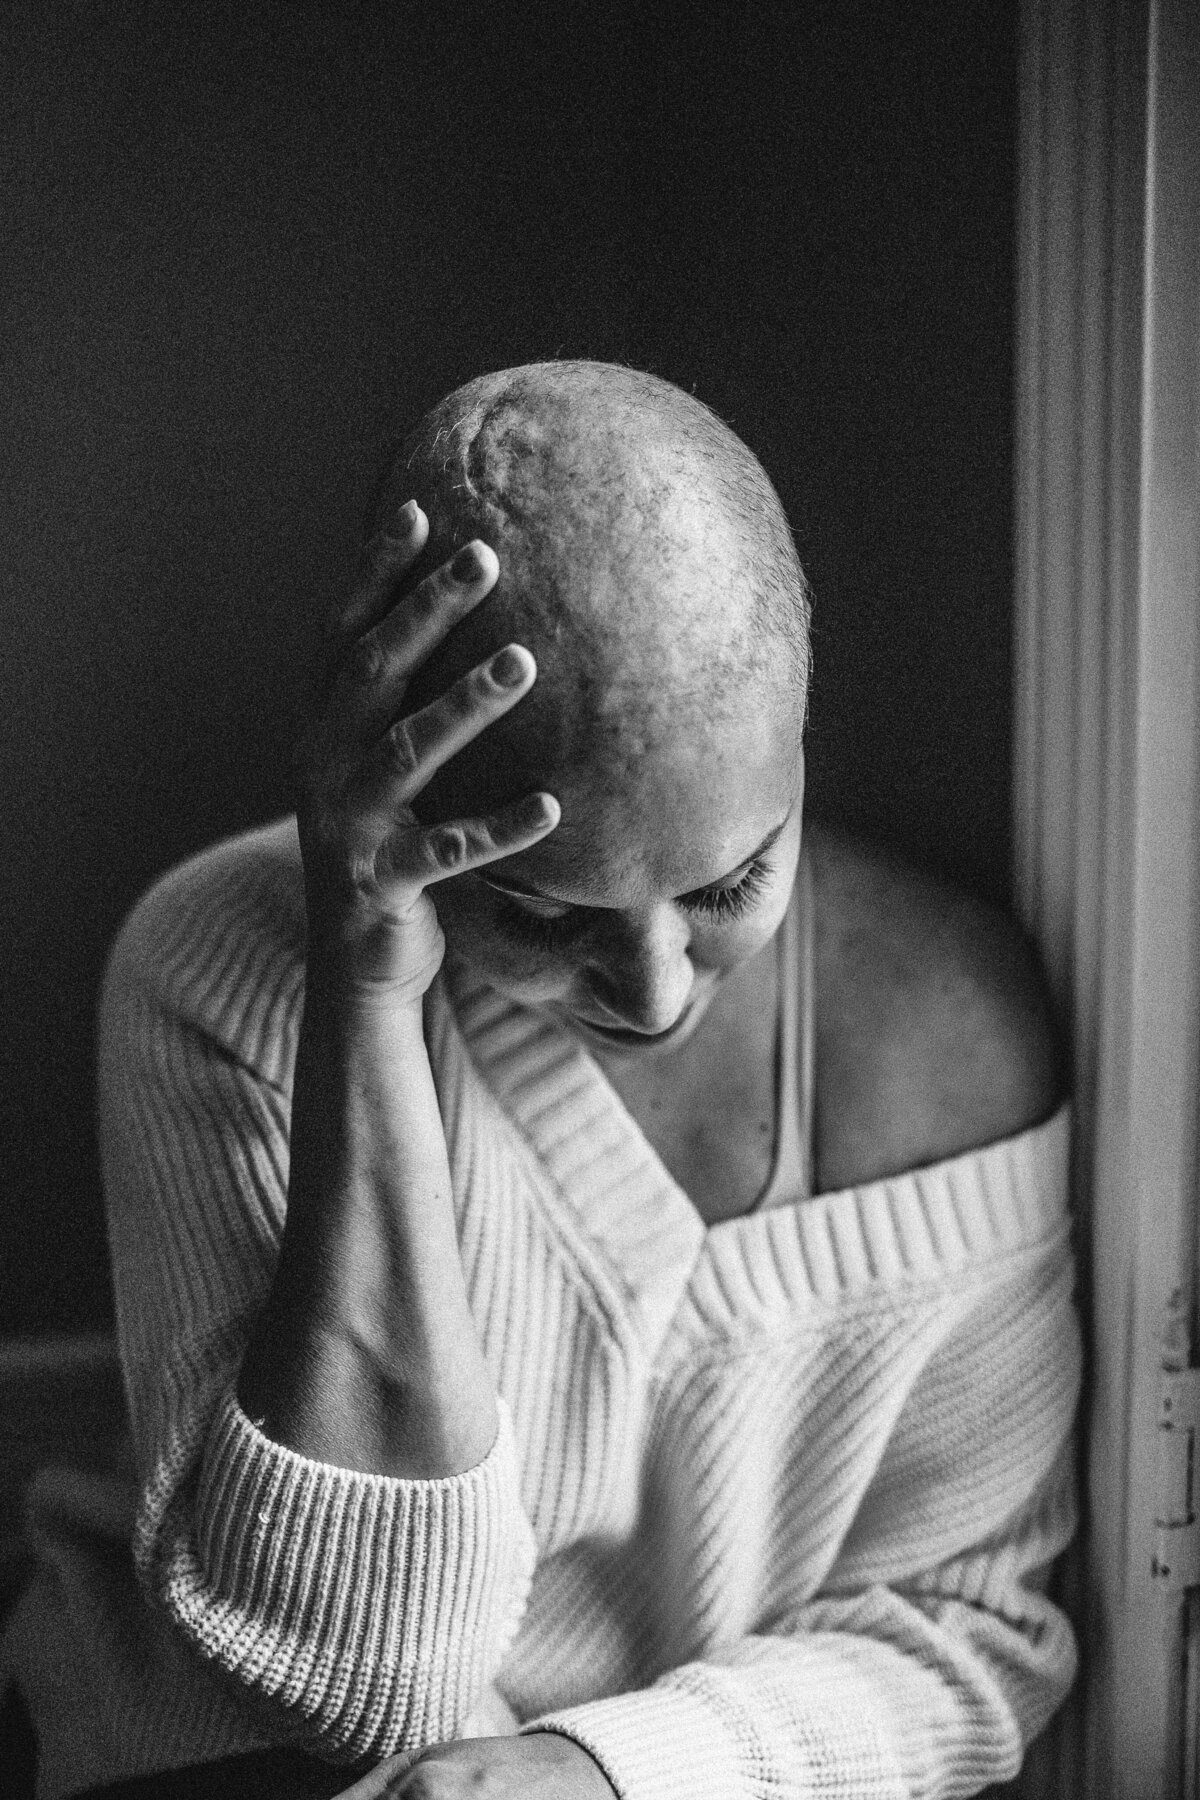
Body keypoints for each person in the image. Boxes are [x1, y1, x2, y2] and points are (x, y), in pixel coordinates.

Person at [5, 361, 1080, 1799]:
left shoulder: (957, 1035)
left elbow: (968, 1628)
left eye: (731, 878)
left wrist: (606, 1769)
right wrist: (367, 993)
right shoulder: (216, 969)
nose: (653, 990)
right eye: (544, 913)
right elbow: (350, 1672)